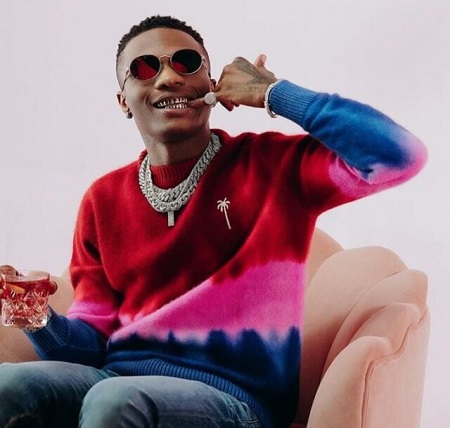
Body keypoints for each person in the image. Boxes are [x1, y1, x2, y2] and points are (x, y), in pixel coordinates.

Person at [0, 14, 427, 428]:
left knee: (114, 400)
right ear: (123, 100)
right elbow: (89, 345)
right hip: (114, 380)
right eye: (144, 68)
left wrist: (275, 93)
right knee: (9, 384)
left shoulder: (272, 167)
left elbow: (399, 156)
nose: (168, 77)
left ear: (211, 82)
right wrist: (35, 314)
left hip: (236, 398)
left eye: (186, 62)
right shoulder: (103, 200)